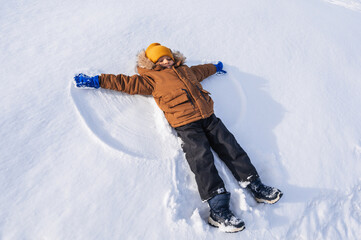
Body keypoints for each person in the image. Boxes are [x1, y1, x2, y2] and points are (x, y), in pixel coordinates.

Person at [74, 43, 283, 233]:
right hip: (186, 125)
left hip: (209, 117)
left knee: (231, 148)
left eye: (168, 57)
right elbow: (125, 83)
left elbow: (202, 71)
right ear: (152, 63)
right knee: (201, 159)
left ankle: (255, 185)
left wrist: (214, 67)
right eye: (161, 60)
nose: (166, 61)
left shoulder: (186, 70)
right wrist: (97, 81)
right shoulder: (150, 79)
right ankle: (218, 209)